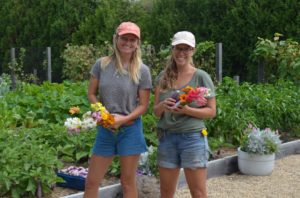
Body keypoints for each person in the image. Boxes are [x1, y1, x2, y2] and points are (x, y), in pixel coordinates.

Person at [84, 21, 152, 198]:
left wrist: (123, 119)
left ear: (137, 43)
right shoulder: (102, 65)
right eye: (124, 38)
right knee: (92, 182)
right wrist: (101, 112)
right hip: (105, 129)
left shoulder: (142, 70)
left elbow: (143, 105)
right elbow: (91, 93)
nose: (128, 42)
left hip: (130, 129)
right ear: (116, 39)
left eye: (132, 39)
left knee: (128, 182)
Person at [153, 31, 216, 198]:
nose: (181, 53)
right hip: (167, 137)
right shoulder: (162, 77)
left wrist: (188, 110)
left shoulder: (201, 76)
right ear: (172, 50)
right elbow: (155, 112)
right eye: (178, 48)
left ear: (193, 51)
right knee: (166, 193)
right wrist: (163, 106)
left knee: (198, 193)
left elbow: (211, 111)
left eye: (186, 49)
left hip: (192, 138)